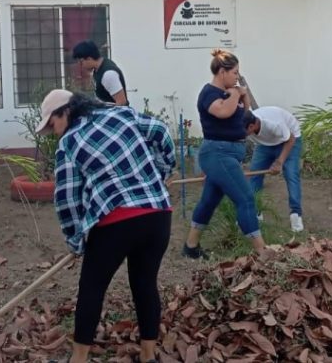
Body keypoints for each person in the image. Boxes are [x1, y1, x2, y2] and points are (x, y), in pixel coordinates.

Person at [37, 89, 174, 363]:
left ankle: (78, 360)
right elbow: (160, 131)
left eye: (52, 124)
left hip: (116, 220)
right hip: (158, 213)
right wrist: (162, 172)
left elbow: (67, 199)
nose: (54, 133)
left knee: (91, 287)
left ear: (66, 111)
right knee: (145, 283)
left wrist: (76, 240)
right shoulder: (121, 113)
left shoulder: (70, 142)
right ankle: (148, 356)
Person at [183, 49, 266, 259]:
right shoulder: (209, 94)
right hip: (218, 153)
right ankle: (262, 251)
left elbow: (244, 114)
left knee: (209, 200)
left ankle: (190, 247)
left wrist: (243, 95)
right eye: (235, 73)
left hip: (230, 153)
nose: (237, 77)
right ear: (222, 71)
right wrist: (237, 93)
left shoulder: (231, 93)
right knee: (246, 198)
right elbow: (223, 112)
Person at [243, 107, 305, 232]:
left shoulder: (274, 124)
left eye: (242, 131)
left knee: (291, 175)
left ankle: (296, 214)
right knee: (254, 175)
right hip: (265, 145)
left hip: (290, 139)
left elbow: (290, 139)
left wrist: (279, 162)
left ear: (251, 127)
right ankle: (256, 213)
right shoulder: (243, 123)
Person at [72, 40, 129, 106]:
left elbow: (121, 102)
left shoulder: (108, 74)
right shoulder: (98, 68)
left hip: (116, 114)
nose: (81, 66)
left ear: (89, 59)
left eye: (81, 62)